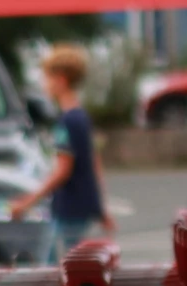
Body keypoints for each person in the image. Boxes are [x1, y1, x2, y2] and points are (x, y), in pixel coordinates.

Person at [8, 45, 113, 258]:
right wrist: (100, 206)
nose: (44, 83)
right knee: (76, 267)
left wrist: (28, 202)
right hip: (82, 208)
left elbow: (62, 170)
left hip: (68, 210)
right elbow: (94, 163)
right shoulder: (82, 117)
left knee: (54, 271)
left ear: (61, 80)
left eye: (47, 77)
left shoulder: (67, 122)